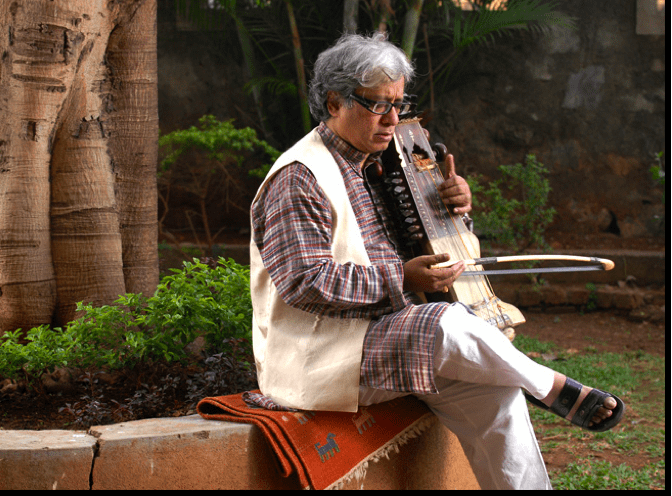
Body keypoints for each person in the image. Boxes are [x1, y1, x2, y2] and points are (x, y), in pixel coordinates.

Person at [249, 32, 623, 490]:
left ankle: (526, 407)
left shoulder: (379, 163)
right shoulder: (299, 179)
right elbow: (305, 282)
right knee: (444, 322)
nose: (392, 120)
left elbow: (434, 238)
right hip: (323, 354)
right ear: (333, 103)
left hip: (389, 339)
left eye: (399, 105)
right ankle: (549, 386)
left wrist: (454, 206)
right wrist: (402, 277)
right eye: (377, 105)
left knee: (496, 391)